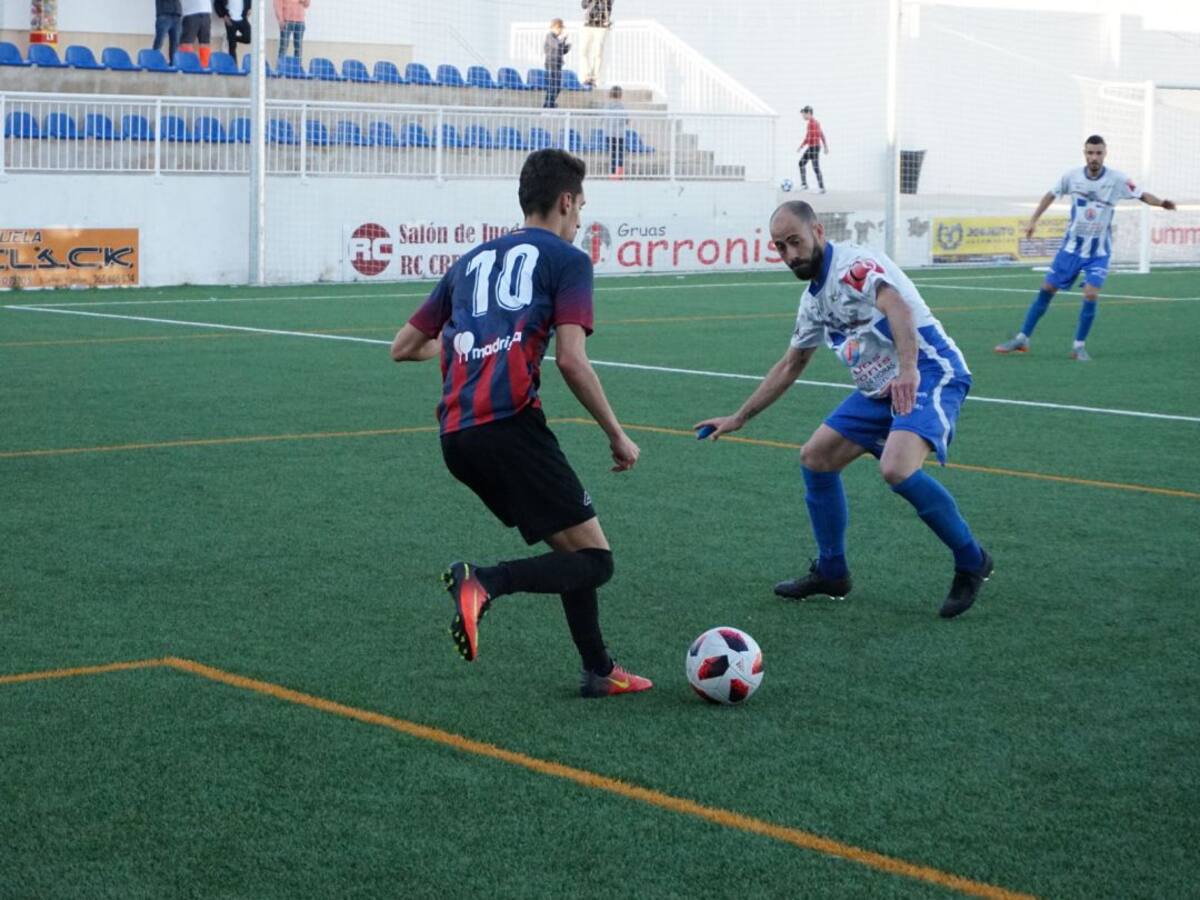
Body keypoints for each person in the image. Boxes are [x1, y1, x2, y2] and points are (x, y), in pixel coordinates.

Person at [390, 148, 652, 698]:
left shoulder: (469, 261)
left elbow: (404, 347)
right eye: (580, 206)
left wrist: (471, 345)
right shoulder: (566, 260)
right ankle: (485, 581)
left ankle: (599, 671)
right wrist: (616, 434)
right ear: (564, 201)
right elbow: (573, 361)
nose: (580, 219)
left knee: (574, 550)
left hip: (457, 438)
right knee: (596, 562)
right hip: (510, 424)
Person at [696, 200, 992, 619]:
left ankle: (971, 559)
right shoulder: (813, 301)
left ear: (818, 231)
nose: (790, 255)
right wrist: (739, 416)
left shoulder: (854, 267)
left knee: (896, 468)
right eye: (780, 247)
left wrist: (909, 371)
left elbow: (896, 306)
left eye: (795, 241)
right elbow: (790, 363)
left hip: (928, 370)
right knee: (815, 458)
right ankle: (832, 572)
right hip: (878, 389)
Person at [995, 134, 1175, 361]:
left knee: (1090, 293)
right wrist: (1033, 220)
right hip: (1071, 249)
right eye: (1090, 153)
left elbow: (1141, 193)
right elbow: (1050, 195)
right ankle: (1022, 338)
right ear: (1085, 153)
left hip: (1098, 252)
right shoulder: (1071, 177)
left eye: (1098, 153)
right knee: (1047, 289)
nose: (1094, 157)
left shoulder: (1117, 179)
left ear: (1105, 154)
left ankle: (1078, 346)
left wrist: (1161, 203)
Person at [796, 105, 829, 193]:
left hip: (814, 148)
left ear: (809, 113)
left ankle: (821, 188)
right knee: (802, 163)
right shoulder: (813, 123)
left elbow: (814, 136)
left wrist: (801, 146)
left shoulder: (813, 123)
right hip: (813, 147)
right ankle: (804, 185)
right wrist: (825, 146)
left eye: (804, 114)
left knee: (815, 167)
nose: (803, 116)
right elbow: (815, 135)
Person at [580, 0, 613, 87]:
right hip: (588, 25)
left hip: (601, 26)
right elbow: (583, 5)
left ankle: (594, 78)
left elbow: (608, 5)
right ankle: (587, 75)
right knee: (583, 51)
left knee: (598, 52)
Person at [543, 18, 570, 109]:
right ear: (555, 27)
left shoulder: (556, 39)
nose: (561, 31)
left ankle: (550, 104)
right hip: (551, 65)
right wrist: (564, 39)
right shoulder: (549, 36)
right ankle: (548, 106)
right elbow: (557, 45)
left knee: (557, 87)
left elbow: (560, 50)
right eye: (560, 28)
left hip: (558, 65)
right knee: (551, 87)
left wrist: (567, 47)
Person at [214, 0, 251, 64]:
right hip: (230, 20)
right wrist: (224, 16)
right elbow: (217, 3)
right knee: (232, 47)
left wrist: (249, 8)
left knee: (248, 38)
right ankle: (234, 67)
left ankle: (231, 38)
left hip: (242, 18)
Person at [178, 0, 213, 68]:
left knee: (205, 43)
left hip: (205, 11)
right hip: (191, 12)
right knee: (186, 43)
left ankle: (205, 68)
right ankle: (187, 67)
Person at [273, 0, 309, 65]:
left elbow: (307, 5)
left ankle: (297, 69)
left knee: (298, 48)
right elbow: (277, 4)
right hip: (286, 21)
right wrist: (280, 19)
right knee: (283, 47)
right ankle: (280, 69)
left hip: (300, 21)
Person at [604, 85, 628, 179]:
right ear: (620, 95)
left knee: (613, 154)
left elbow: (603, 118)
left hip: (609, 134)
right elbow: (626, 119)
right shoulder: (621, 106)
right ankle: (620, 175)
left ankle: (613, 174)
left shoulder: (607, 105)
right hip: (620, 134)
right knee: (620, 155)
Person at [153, 0, 183, 65]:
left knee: (175, 43)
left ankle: (173, 64)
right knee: (159, 41)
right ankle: (153, 62)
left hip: (177, 15)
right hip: (164, 13)